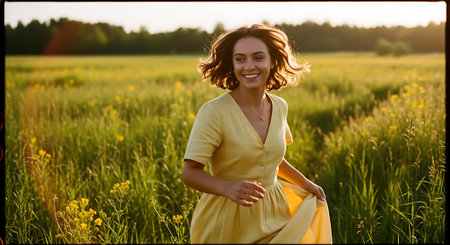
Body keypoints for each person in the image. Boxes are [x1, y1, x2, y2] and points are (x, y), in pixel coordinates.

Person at [182, 23, 332, 244]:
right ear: (232, 64)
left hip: (275, 212)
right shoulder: (214, 112)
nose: (249, 66)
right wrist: (229, 188)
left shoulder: (280, 106)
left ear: (272, 61)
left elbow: (272, 157)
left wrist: (305, 183)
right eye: (240, 59)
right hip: (228, 219)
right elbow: (190, 172)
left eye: (258, 57)